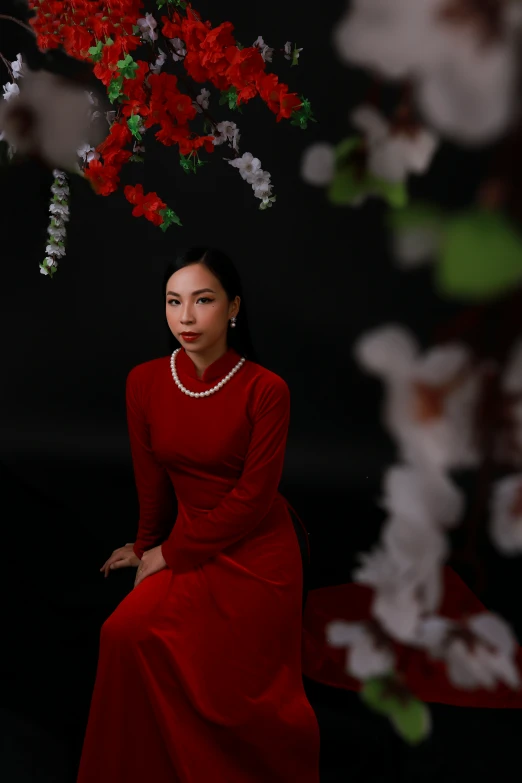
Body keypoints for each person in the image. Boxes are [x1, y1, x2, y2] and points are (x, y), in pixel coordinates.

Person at [76, 247, 321, 783]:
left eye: (202, 300)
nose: (184, 317)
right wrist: (145, 544)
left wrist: (170, 553)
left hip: (257, 551)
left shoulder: (265, 390)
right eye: (173, 302)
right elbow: (152, 481)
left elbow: (254, 500)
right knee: (123, 636)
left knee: (237, 690)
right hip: (188, 539)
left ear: (233, 307)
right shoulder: (144, 381)